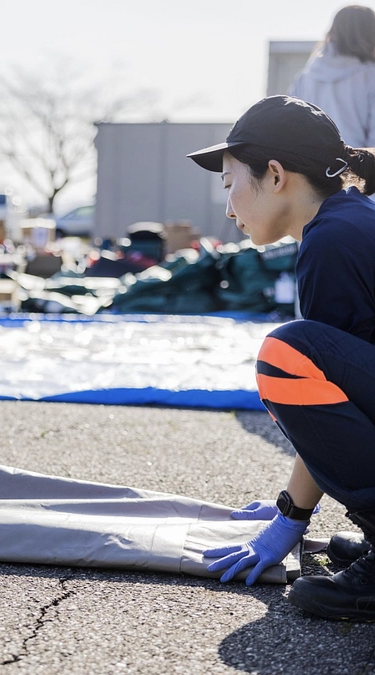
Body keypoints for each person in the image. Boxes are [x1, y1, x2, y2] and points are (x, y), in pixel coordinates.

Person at [187, 95, 375, 621]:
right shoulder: (348, 222)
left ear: (274, 175)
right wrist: (288, 511)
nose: (228, 209)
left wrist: (290, 519)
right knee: (296, 354)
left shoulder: (334, 241)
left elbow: (313, 379)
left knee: (285, 354)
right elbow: (342, 394)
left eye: (230, 185)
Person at [289, 5, 375, 150]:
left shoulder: (305, 77)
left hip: (312, 167)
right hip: (359, 168)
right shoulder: (370, 76)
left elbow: (292, 127)